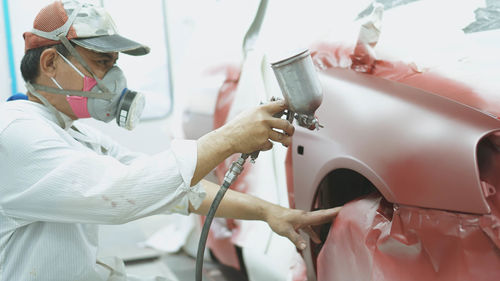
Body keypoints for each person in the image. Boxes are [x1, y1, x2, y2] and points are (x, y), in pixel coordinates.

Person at [0, 1, 340, 280]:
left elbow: (172, 187)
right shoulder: (16, 134)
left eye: (115, 64)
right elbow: (121, 194)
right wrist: (228, 138)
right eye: (102, 63)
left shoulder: (76, 133)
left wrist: (271, 213)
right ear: (50, 63)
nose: (115, 78)